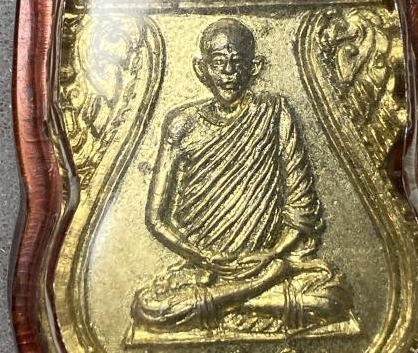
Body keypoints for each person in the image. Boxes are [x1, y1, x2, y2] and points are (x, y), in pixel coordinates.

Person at [131, 18, 351, 332]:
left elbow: (301, 207)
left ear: (254, 67)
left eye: (238, 63)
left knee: (334, 298)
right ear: (201, 69)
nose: (229, 72)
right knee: (147, 307)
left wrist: (272, 254)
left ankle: (224, 302)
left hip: (269, 260)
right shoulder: (181, 123)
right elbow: (155, 218)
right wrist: (203, 257)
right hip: (205, 269)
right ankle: (250, 296)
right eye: (219, 62)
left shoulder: (275, 113)